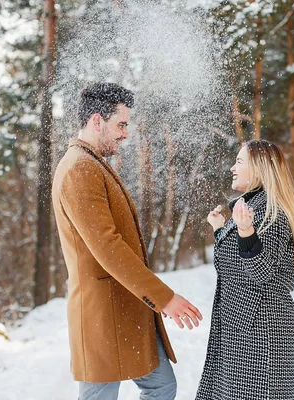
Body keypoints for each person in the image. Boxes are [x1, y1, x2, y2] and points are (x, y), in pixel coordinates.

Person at [52, 82, 203, 400]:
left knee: (161, 386)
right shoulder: (80, 168)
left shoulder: (90, 163)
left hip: (123, 311)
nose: (125, 133)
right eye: (120, 124)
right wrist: (164, 298)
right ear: (97, 121)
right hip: (103, 315)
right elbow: (107, 246)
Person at [196, 139, 294, 400]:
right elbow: (237, 264)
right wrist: (219, 229)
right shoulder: (252, 207)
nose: (232, 168)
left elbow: (260, 271)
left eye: (239, 162)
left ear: (258, 169)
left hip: (260, 327)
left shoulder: (272, 212)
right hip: (244, 325)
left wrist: (246, 231)